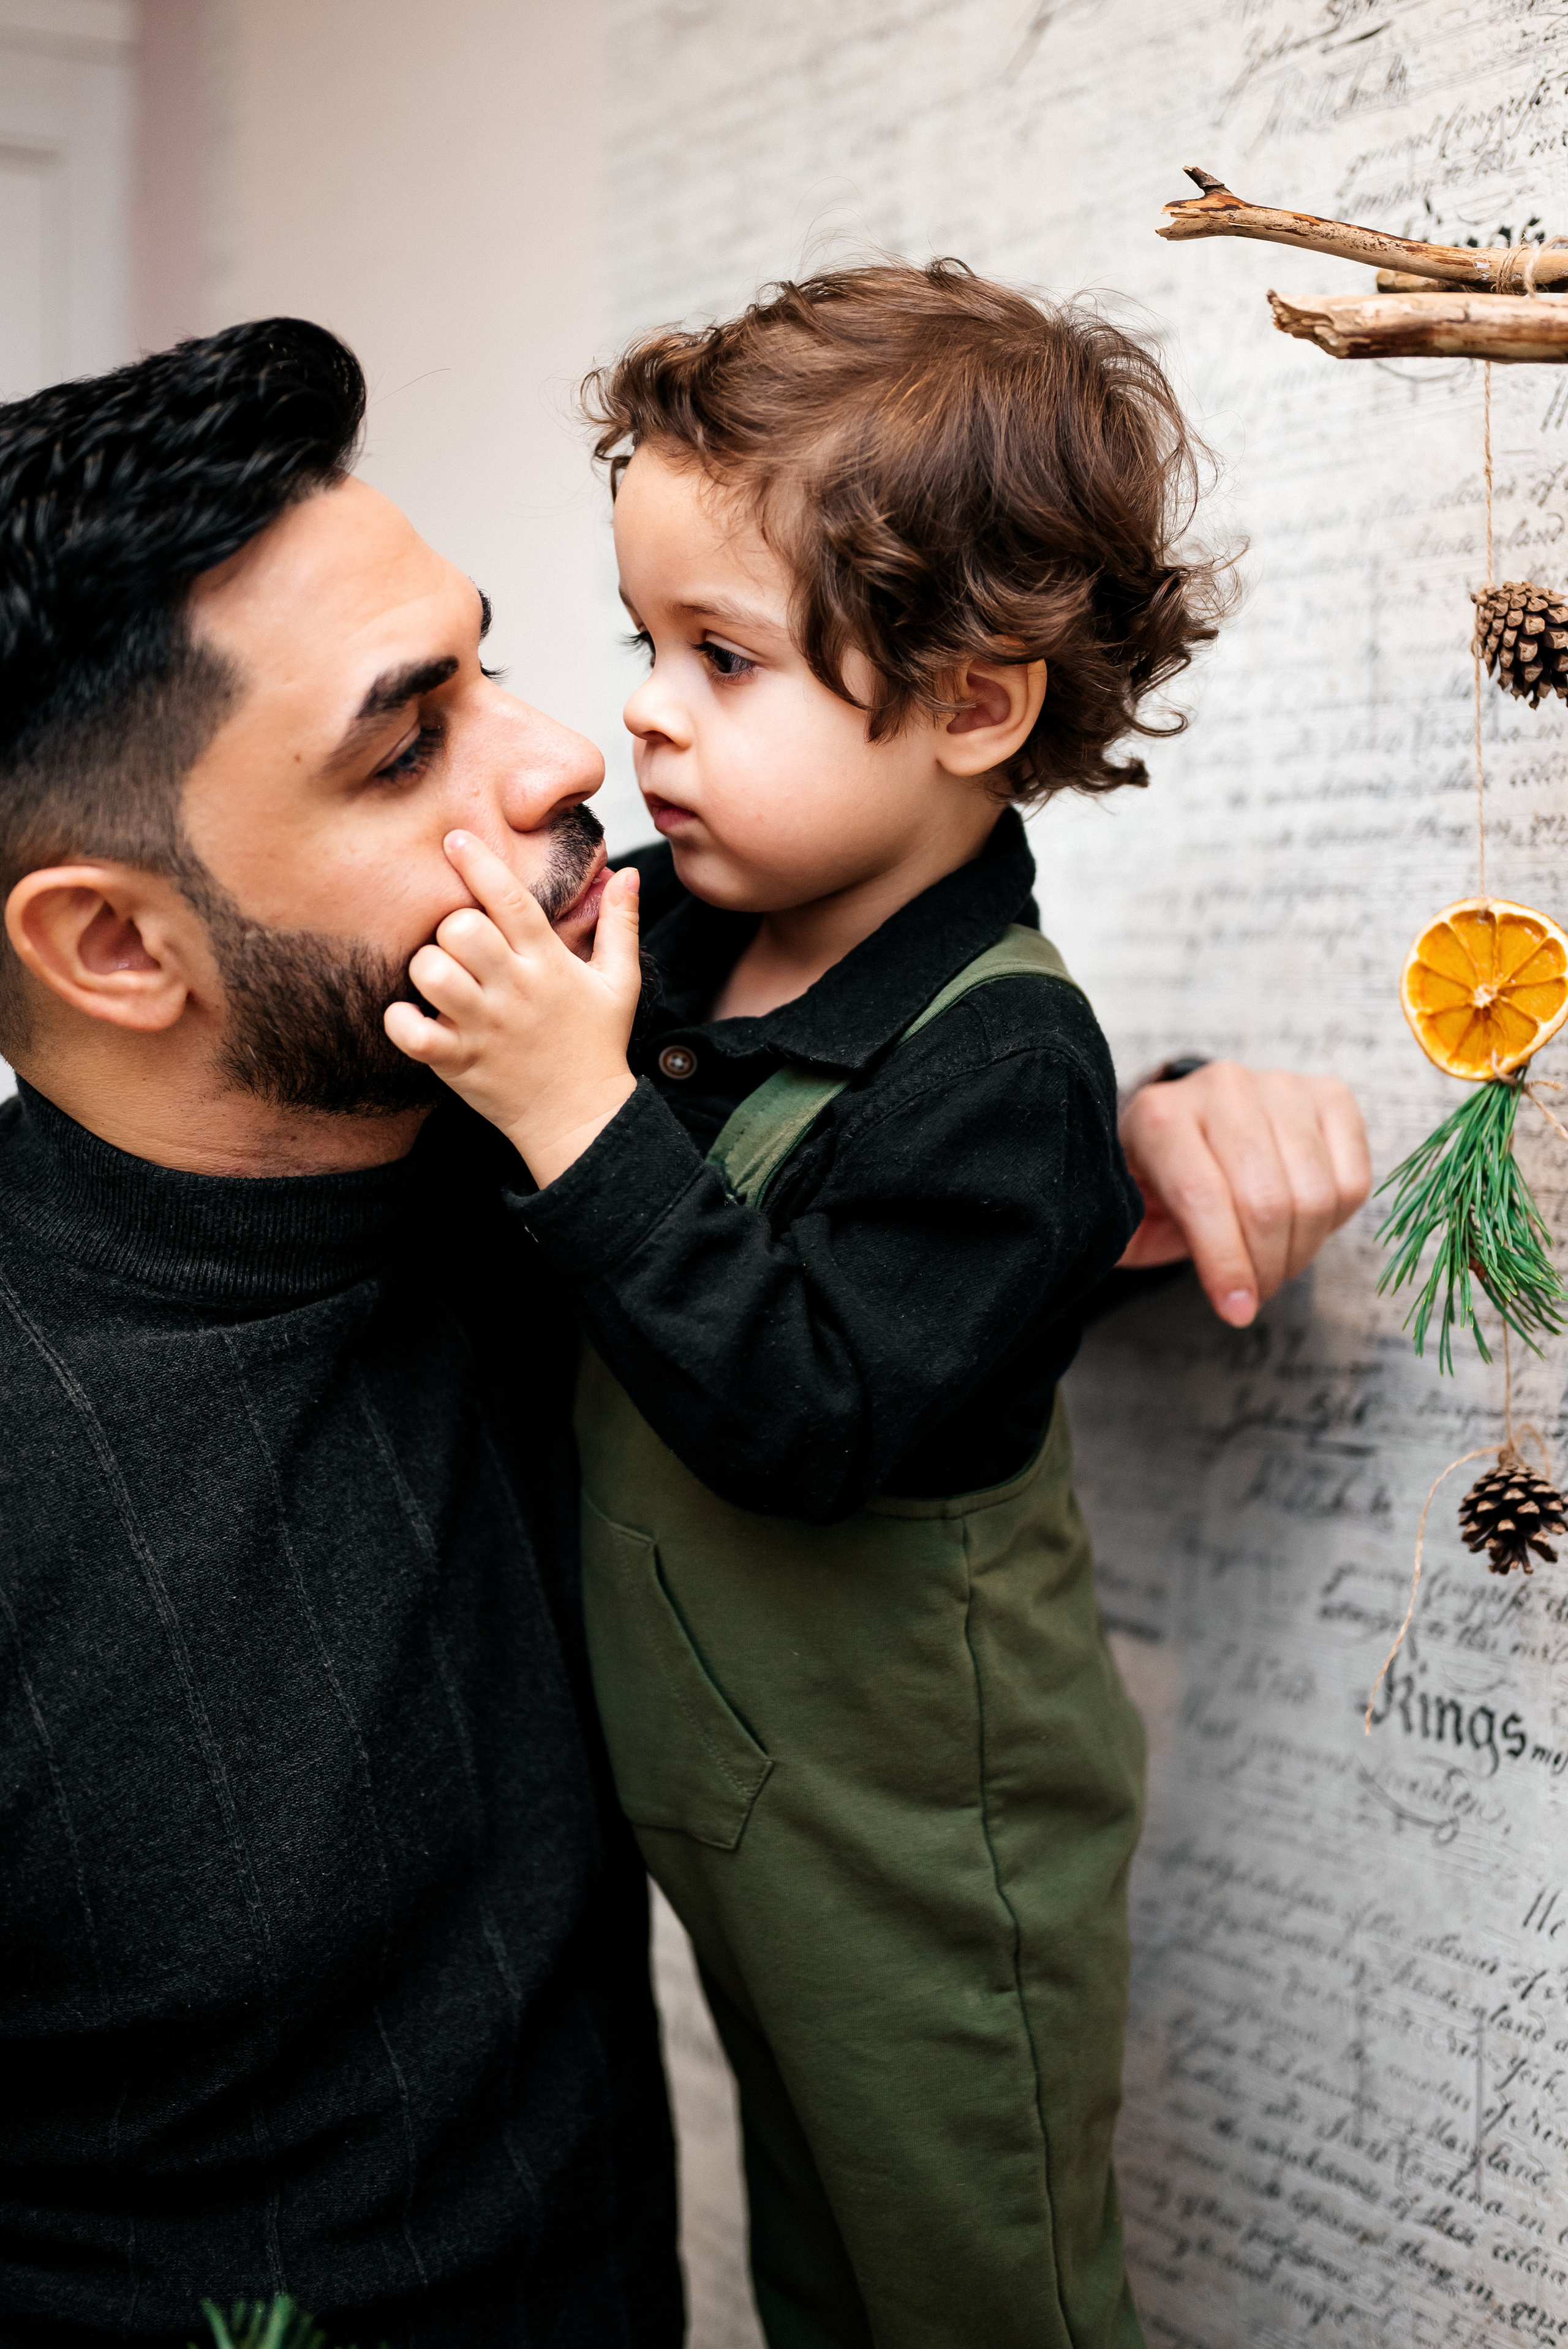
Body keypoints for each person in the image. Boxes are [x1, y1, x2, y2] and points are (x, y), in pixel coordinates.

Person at [0, 313, 1360, 2348]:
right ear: (117, 944)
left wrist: (1116, 1137)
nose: (576, 751)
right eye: (407, 741)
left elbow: (821, 1199)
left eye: (494, 662)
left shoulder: (528, 1136)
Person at [385, 263, 1370, 2349]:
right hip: (745, 1795)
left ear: (969, 706)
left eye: (722, 658)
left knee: (974, 2287)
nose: (643, 706)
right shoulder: (673, 942)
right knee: (825, 2263)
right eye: (646, 635)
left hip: (932, 1839)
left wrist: (579, 1115)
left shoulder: (1005, 1064)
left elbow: (819, 1411)